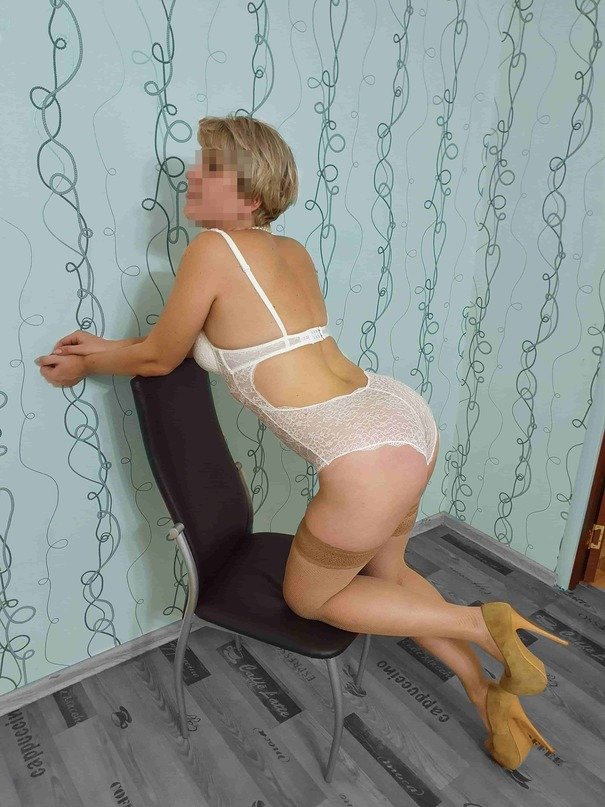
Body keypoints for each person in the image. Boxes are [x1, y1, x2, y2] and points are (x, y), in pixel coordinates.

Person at [35, 114, 568, 770]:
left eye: (209, 168)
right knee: (389, 576)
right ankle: (485, 692)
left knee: (311, 600)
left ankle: (479, 622)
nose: (192, 177)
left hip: (363, 456)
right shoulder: (290, 252)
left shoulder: (212, 250)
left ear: (250, 193)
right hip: (402, 419)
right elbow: (183, 343)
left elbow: (158, 357)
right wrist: (104, 348)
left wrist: (88, 363)